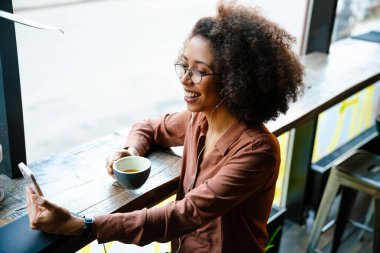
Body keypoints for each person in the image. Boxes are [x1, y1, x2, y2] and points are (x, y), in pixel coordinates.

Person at [26, 1, 304, 252]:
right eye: (183, 65)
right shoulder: (198, 119)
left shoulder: (257, 151)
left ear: (235, 79)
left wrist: (84, 225)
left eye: (199, 70)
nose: (185, 78)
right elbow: (149, 127)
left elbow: (185, 214)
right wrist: (130, 150)